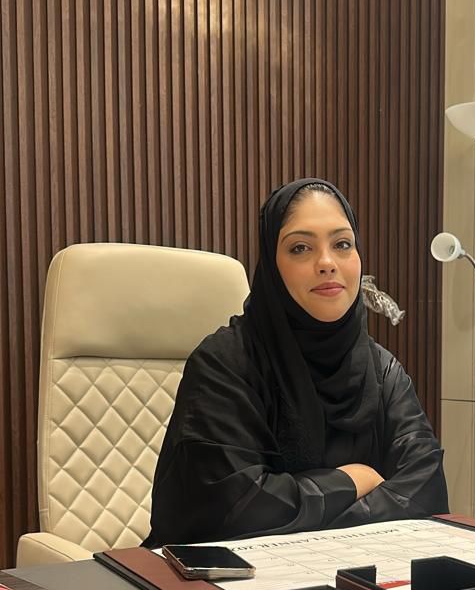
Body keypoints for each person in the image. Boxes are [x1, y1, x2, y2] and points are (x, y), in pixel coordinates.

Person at [146, 178, 448, 545]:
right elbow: (232, 511)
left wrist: (307, 515)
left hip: (360, 571)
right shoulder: (224, 364)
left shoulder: (383, 371)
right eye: (300, 248)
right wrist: (352, 481)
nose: (327, 263)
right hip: (230, 578)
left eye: (342, 244)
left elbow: (427, 489)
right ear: (272, 267)